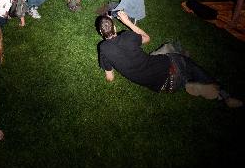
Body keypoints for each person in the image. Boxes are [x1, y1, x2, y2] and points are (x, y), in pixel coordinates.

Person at [96, 15, 242, 108]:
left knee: (166, 49)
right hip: (167, 66)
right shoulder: (128, 36)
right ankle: (224, 95)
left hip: (162, 86)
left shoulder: (103, 49)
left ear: (101, 33)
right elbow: (147, 38)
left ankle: (185, 79)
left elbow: (110, 77)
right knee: (184, 61)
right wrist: (128, 22)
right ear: (115, 27)